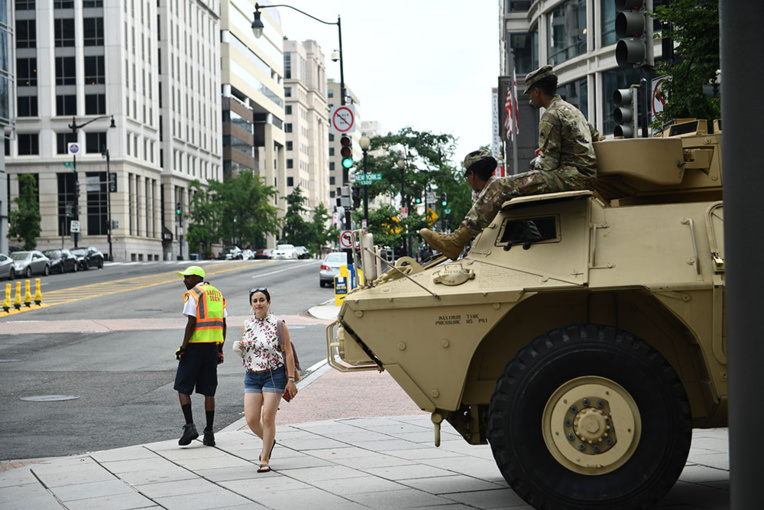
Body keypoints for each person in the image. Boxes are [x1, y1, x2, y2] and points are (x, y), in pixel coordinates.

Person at [420, 65, 599, 260]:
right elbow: (595, 138)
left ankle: (457, 240)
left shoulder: (551, 115)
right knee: (516, 184)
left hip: (571, 178)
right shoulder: (574, 111)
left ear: (537, 91)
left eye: (530, 93)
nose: (530, 98)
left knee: (498, 187)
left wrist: (537, 162)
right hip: (582, 176)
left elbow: (548, 165)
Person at [232, 288, 298, 473]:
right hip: (252, 375)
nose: (258, 303)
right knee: (251, 419)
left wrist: (290, 379)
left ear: (269, 302)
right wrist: (239, 349)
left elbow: (288, 352)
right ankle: (269, 441)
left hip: (273, 375)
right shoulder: (247, 324)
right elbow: (249, 351)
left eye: (262, 300)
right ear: (251, 304)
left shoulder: (278, 324)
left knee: (267, 417)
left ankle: (265, 457)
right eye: (255, 301)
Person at [174, 265, 227, 447]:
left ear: (197, 277)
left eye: (187, 277)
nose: (184, 280)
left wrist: (183, 348)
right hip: (212, 348)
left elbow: (191, 322)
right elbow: (223, 323)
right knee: (209, 391)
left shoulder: (194, 294)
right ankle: (209, 433)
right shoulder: (218, 294)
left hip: (194, 347)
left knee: (182, 387)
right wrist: (220, 349)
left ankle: (189, 426)